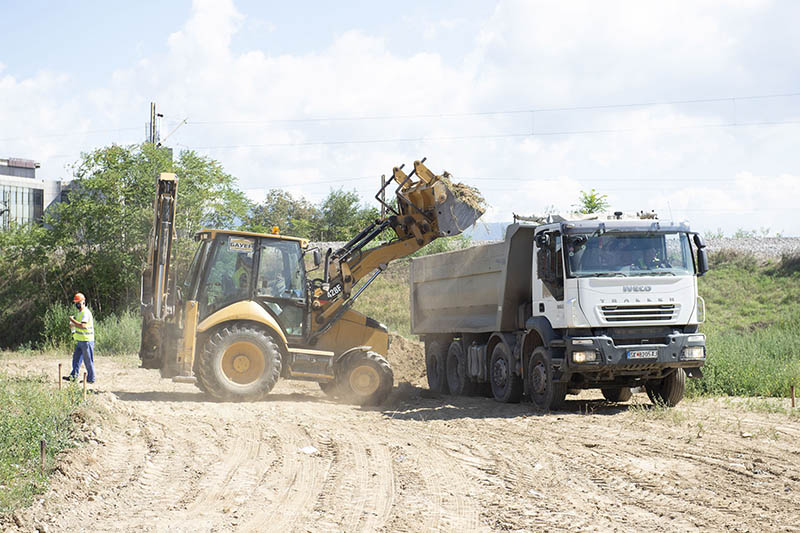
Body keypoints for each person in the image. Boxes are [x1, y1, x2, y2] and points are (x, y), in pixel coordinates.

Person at [64, 292, 96, 384]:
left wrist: (72, 320)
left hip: (87, 341)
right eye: (76, 303)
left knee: (88, 360)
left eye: (78, 302)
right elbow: (78, 325)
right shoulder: (80, 313)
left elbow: (83, 326)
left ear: (83, 302)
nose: (77, 304)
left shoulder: (86, 313)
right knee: (76, 359)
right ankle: (73, 376)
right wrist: (73, 325)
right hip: (81, 341)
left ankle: (91, 379)